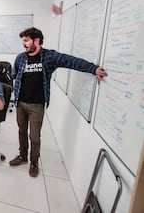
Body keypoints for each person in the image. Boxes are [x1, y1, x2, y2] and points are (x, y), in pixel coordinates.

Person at [9, 27, 108, 177]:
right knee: (22, 131)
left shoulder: (49, 57)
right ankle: (22, 155)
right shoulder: (21, 58)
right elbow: (14, 74)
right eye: (23, 40)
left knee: (34, 136)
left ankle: (34, 161)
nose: (24, 44)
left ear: (37, 40)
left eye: (26, 40)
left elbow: (71, 61)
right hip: (20, 103)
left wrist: (93, 69)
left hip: (37, 105)